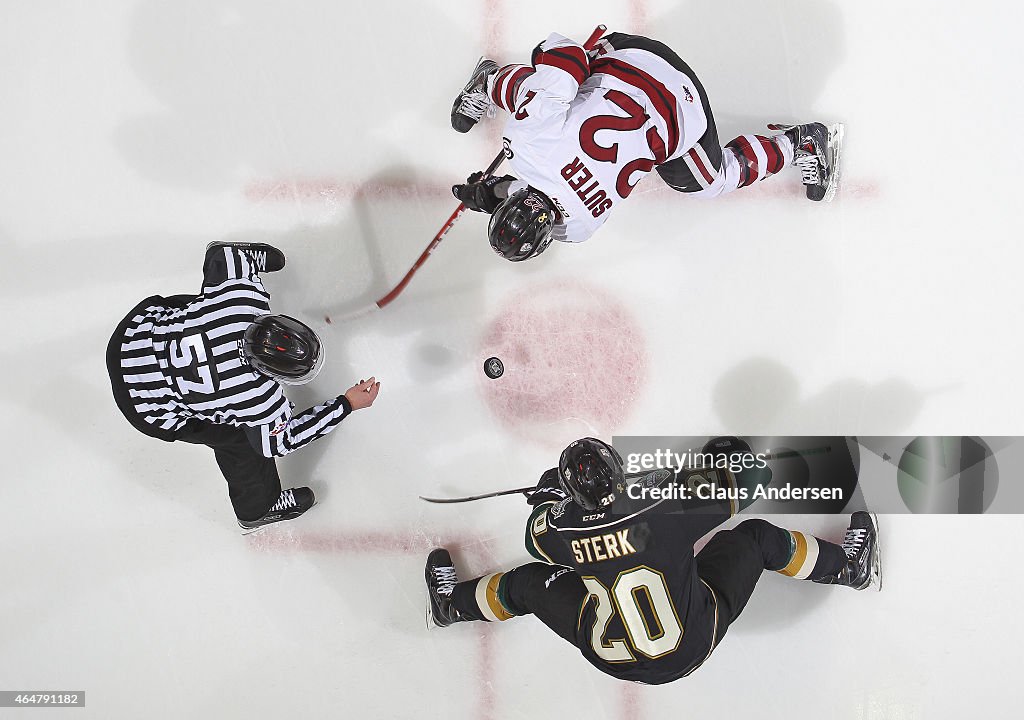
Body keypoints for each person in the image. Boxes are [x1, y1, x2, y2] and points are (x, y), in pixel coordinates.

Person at [424, 437, 879, 685]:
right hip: (693, 637)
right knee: (756, 538)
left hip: (612, 654)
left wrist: (549, 499)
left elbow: (535, 537)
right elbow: (751, 474)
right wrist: (716, 463)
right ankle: (848, 567)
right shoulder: (661, 507)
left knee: (525, 585)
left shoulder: (563, 530)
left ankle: (451, 606)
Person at [449, 32, 842, 261]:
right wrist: (493, 193)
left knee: (713, 180)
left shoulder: (579, 228)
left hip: (682, 105)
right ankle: (493, 81)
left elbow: (555, 204)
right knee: (545, 94)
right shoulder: (524, 144)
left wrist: (496, 194)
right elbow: (563, 57)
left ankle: (801, 143)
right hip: (634, 54)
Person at [106, 241, 381, 531]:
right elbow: (278, 442)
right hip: (146, 406)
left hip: (131, 338)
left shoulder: (242, 300)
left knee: (201, 308)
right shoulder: (258, 401)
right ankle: (257, 508)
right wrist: (346, 405)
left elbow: (222, 253)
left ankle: (198, 321)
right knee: (239, 441)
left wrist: (249, 263)